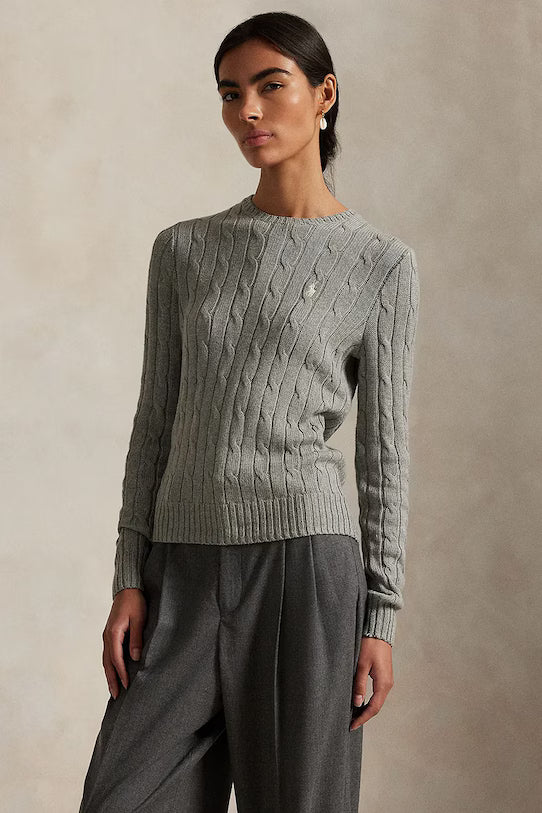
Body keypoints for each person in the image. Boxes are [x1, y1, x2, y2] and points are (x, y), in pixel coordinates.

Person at [79, 11, 420, 813]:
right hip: (180, 568)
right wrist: (130, 575)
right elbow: (155, 421)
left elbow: (384, 456)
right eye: (231, 94)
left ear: (324, 94)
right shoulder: (183, 251)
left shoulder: (382, 265)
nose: (249, 112)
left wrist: (380, 616)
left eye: (271, 86)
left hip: (304, 569)